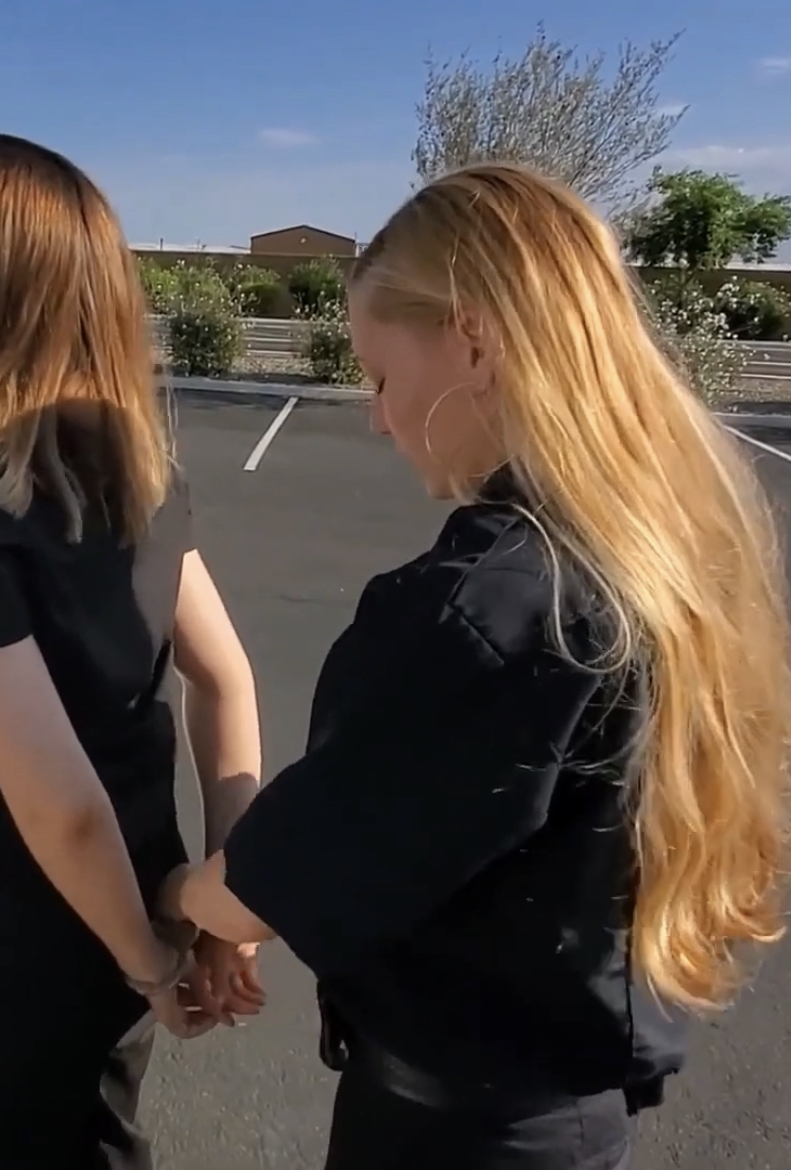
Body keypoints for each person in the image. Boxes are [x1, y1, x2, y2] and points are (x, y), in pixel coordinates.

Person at [157, 162, 791, 1170]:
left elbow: (274, 878)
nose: (375, 415)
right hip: (567, 1112)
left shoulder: (492, 602)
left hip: (456, 1134)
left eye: (376, 373)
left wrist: (180, 901)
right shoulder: (652, 548)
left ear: (474, 340)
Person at [0, 133, 263, 1169]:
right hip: (121, 924)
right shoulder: (129, 465)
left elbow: (58, 804)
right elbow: (224, 678)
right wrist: (227, 899)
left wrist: (154, 967)